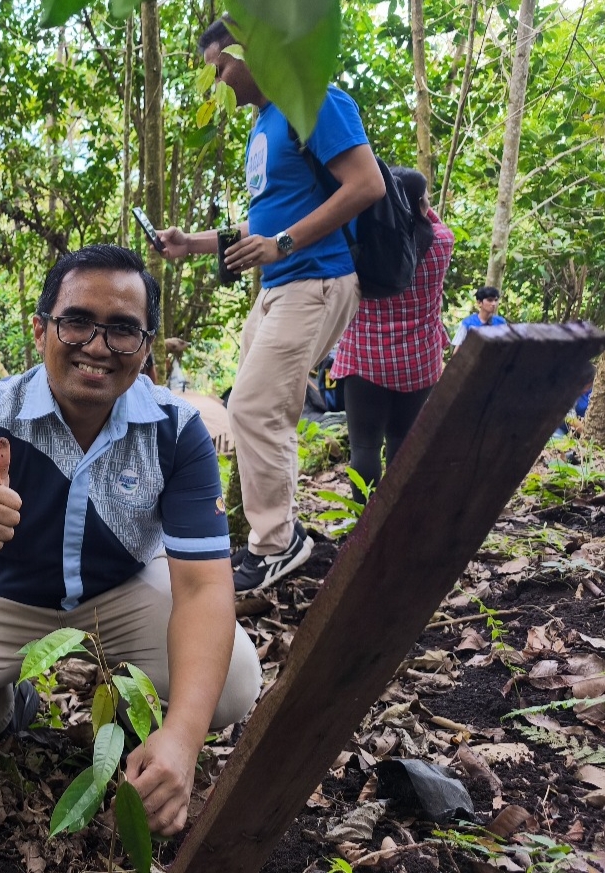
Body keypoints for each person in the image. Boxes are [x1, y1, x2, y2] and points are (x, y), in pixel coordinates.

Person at [0, 245, 261, 837]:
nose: (97, 345)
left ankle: (135, 714)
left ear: (145, 348)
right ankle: (0, 704)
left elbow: (202, 588)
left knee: (233, 685)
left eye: (123, 329)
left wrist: (183, 740)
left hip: (119, 591)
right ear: (41, 329)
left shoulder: (176, 430)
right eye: (77, 322)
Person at [157, 16, 386, 592]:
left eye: (220, 68)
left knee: (256, 408)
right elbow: (266, 219)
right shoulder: (264, 125)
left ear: (251, 51)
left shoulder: (314, 101)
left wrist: (283, 243)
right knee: (255, 410)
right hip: (278, 286)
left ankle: (277, 544)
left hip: (317, 279)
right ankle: (279, 534)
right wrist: (193, 243)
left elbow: (367, 184)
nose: (217, 83)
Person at [330, 167, 454, 498]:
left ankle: (365, 519)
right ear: (422, 203)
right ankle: (398, 516)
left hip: (365, 360)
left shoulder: (361, 248)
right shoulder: (442, 243)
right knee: (403, 442)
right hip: (418, 362)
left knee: (364, 447)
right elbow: (434, 222)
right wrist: (419, 205)